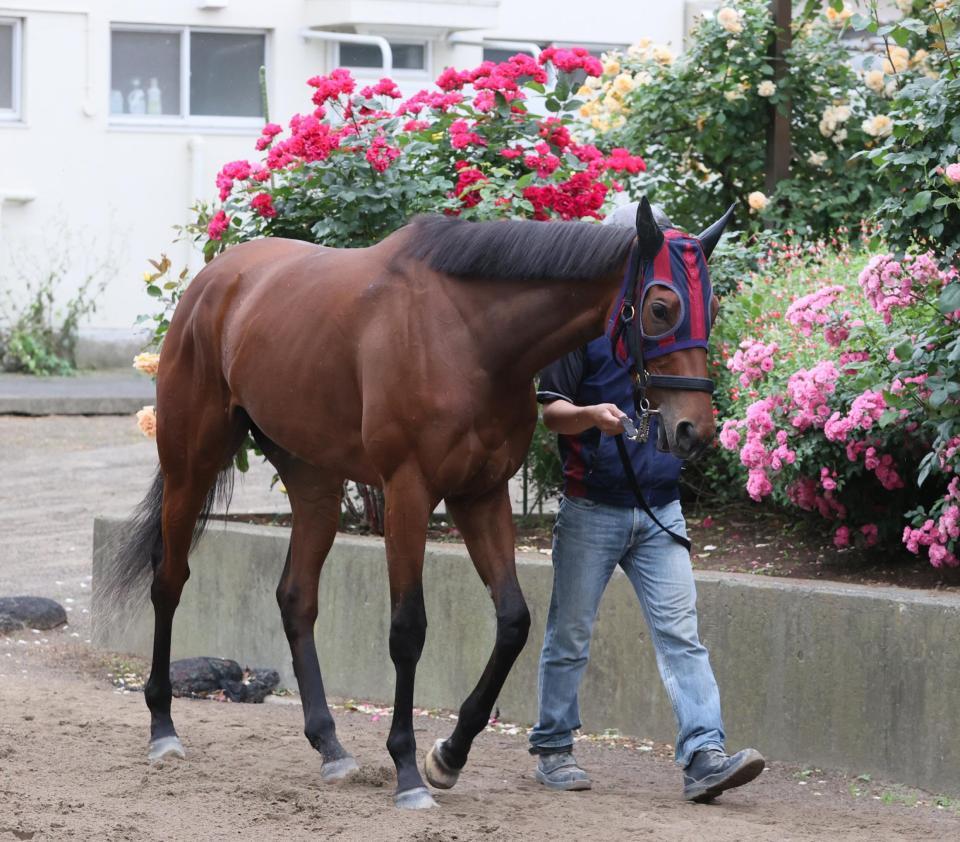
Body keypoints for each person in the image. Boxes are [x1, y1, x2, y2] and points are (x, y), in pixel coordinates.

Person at [528, 204, 765, 803]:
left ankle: (704, 754)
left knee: (682, 635)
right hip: (592, 509)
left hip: (661, 510)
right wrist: (590, 417)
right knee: (570, 635)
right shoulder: (581, 329)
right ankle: (553, 748)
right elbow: (548, 408)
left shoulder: (671, 327)